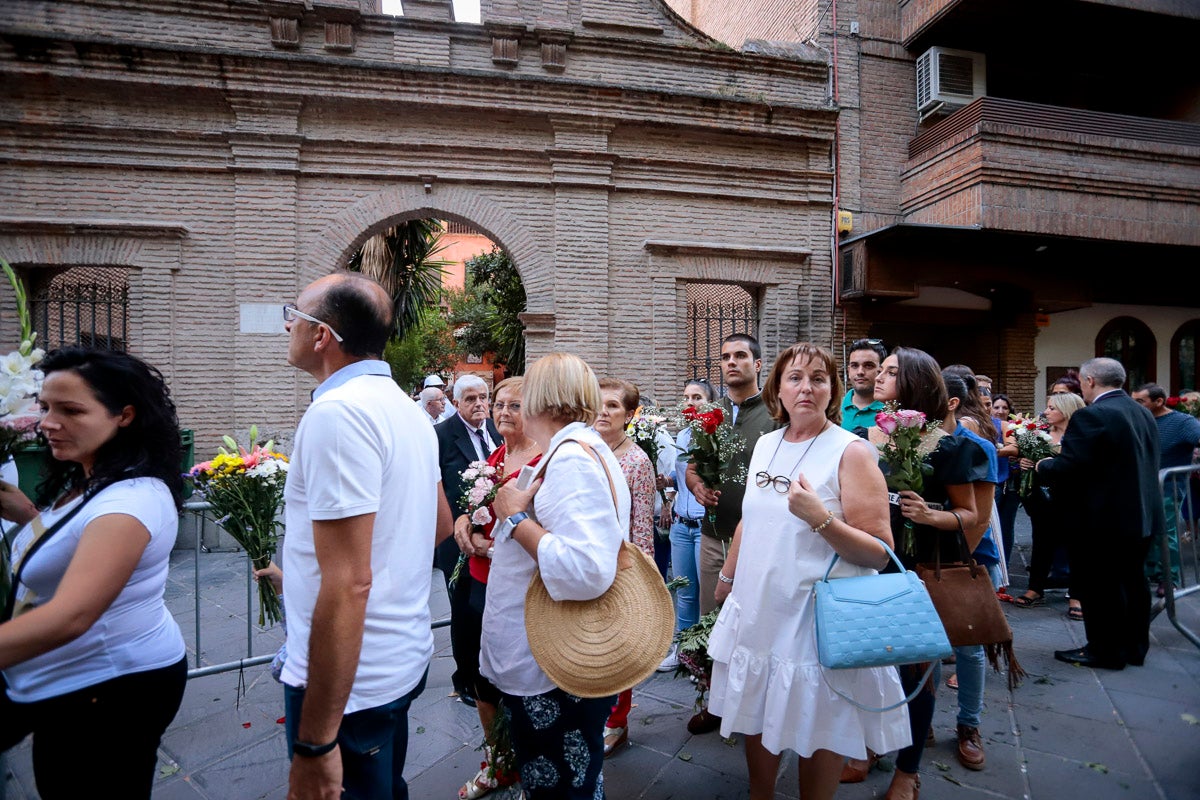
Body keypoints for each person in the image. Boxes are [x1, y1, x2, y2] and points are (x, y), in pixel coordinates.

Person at [706, 342, 908, 800]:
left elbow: (879, 552)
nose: (806, 388)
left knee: (820, 723)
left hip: (815, 619)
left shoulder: (850, 451)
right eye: (795, 378)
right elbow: (749, 520)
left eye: (818, 379)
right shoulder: (766, 443)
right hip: (760, 608)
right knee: (755, 711)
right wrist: (727, 579)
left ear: (831, 390)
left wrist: (819, 517)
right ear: (778, 388)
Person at [280, 272, 449, 800]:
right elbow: (439, 524)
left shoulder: (338, 413)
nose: (286, 325)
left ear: (321, 335)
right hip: (400, 654)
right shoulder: (407, 410)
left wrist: (314, 743)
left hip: (354, 680)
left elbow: (350, 582)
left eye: (294, 314)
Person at [0, 347, 188, 799]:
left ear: (123, 415)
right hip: (63, 679)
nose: (47, 422)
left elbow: (72, 615)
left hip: (109, 689)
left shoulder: (132, 500)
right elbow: (73, 544)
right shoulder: (87, 476)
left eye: (71, 410)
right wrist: (29, 516)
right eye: (45, 407)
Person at [484, 352, 630, 799]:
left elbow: (585, 569)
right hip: (552, 654)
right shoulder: (573, 451)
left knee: (561, 787)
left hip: (552, 663)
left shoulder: (571, 460)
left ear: (540, 400)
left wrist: (514, 518)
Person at [863, 346, 985, 800]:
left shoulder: (951, 446)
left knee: (915, 672)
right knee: (874, 664)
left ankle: (908, 770)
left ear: (913, 383)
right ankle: (873, 746)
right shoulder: (874, 437)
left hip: (924, 566)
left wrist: (930, 516)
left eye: (890, 372)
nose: (878, 376)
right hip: (878, 562)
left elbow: (970, 514)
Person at [1036, 357, 1165, 670]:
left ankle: (1104, 651)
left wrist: (1043, 466)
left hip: (1103, 520)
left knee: (1100, 587)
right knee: (1134, 584)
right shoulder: (1141, 411)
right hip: (1141, 515)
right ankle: (1134, 648)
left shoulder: (1093, 415)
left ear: (1090, 381)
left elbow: (1072, 466)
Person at [685, 333, 782, 735]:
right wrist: (696, 487)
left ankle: (759, 709)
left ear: (758, 364)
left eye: (741, 355)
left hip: (760, 546)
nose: (731, 362)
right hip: (712, 539)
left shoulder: (777, 414)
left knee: (758, 628)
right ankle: (716, 703)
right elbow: (692, 466)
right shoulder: (711, 413)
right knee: (713, 624)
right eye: (725, 356)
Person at [451, 377, 540, 800]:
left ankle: (529, 766)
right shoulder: (497, 454)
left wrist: (491, 544)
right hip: (479, 582)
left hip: (519, 592)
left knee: (519, 685)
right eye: (499, 404)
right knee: (480, 676)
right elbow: (474, 506)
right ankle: (498, 761)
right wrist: (463, 522)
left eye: (515, 406)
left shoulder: (539, 463)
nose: (503, 412)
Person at [940, 370, 1003, 772]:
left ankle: (969, 726)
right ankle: (918, 725)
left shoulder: (978, 446)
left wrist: (958, 562)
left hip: (972, 557)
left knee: (969, 649)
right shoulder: (916, 440)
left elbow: (978, 519)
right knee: (921, 649)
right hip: (930, 558)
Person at [595, 378, 656, 757]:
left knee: (619, 647)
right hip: (587, 565)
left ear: (630, 415)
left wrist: (639, 577)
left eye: (613, 406)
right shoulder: (586, 451)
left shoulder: (636, 461)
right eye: (599, 404)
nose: (603, 411)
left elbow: (641, 526)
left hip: (620, 568)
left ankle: (617, 721)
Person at [435, 374, 503, 708]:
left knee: (486, 605)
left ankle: (489, 672)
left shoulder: (494, 430)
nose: (480, 405)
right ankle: (464, 677)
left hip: (488, 537)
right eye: (471, 399)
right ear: (456, 402)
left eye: (483, 398)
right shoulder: (442, 436)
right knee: (462, 608)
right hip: (456, 537)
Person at [658, 378, 717, 673]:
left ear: (710, 403)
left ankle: (704, 655)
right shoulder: (681, 436)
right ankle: (683, 650)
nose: (690, 402)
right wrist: (666, 482)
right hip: (681, 525)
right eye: (686, 397)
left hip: (705, 527)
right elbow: (677, 477)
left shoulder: (717, 436)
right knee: (684, 591)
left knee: (708, 595)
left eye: (697, 397)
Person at [1012, 393, 1086, 622]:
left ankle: (1077, 595)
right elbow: (1028, 460)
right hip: (1042, 497)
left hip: (1073, 498)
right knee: (1042, 542)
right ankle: (1035, 588)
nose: (1046, 412)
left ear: (1066, 410)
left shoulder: (1080, 436)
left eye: (1052, 408)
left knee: (1076, 547)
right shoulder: (1039, 433)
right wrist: (1024, 462)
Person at [1132, 383, 1200, 596]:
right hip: (1136, 487)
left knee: (1166, 533)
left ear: (1159, 401)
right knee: (1141, 531)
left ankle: (1169, 579)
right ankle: (1148, 571)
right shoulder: (1137, 420)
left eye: (1140, 401)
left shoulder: (1183, 422)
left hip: (1167, 488)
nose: (1135, 406)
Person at [990, 394, 1021, 566]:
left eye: (1005, 408)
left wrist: (993, 451)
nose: (1000, 411)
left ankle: (1004, 565)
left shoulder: (1009, 426)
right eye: (996, 407)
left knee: (1005, 525)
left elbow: (1014, 448)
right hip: (992, 480)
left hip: (1007, 480)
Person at [840, 338, 887, 431]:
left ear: (881, 371)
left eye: (868, 365)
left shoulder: (892, 415)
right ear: (848, 371)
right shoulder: (831, 409)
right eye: (855, 366)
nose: (860, 372)